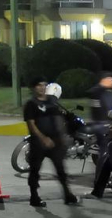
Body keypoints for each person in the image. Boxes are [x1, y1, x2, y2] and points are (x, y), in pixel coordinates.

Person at [23, 77, 78, 207]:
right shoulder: (31, 104)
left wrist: (62, 137)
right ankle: (34, 197)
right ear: (34, 88)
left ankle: (67, 195)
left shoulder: (52, 102)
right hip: (38, 143)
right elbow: (31, 125)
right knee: (35, 171)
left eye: (44, 85)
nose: (42, 88)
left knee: (61, 169)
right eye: (39, 85)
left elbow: (59, 120)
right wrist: (43, 138)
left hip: (55, 142)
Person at [88, 72, 112, 157]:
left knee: (102, 148)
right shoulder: (106, 93)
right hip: (105, 124)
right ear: (105, 80)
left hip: (95, 123)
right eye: (111, 79)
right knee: (106, 150)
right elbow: (110, 110)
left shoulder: (94, 91)